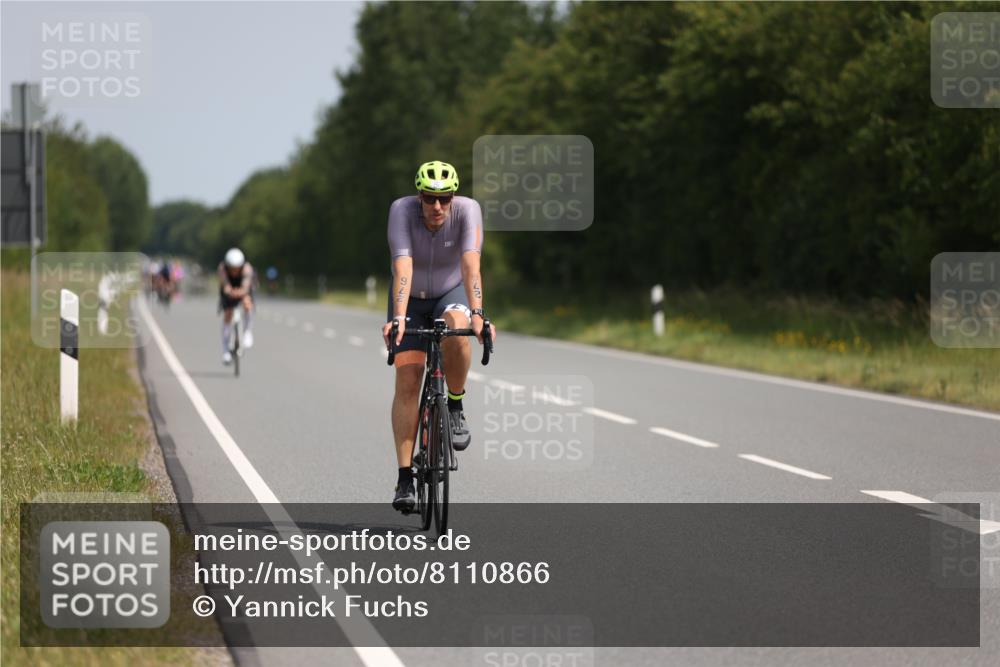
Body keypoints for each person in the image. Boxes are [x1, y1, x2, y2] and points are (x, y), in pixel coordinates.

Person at [381, 161, 496, 512]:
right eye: (430, 198)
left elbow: (470, 266)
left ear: (453, 196)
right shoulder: (401, 211)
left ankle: (456, 403)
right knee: (408, 379)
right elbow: (403, 266)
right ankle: (404, 480)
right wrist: (399, 317)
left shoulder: (468, 211)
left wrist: (477, 314)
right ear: (419, 197)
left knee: (457, 329)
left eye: (444, 199)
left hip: (451, 291)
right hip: (410, 299)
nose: (437, 207)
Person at [218, 248, 255, 365]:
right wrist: (229, 291)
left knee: (247, 303)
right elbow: (226, 285)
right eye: (232, 268)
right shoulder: (222, 269)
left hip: (242, 288)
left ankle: (247, 331)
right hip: (228, 290)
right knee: (228, 313)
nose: (234, 271)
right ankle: (225, 350)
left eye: (237, 268)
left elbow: (246, 286)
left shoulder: (247, 269)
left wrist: (241, 292)